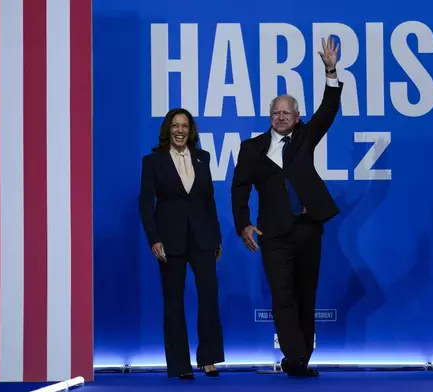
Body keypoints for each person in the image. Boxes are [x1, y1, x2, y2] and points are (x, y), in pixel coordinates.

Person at [231, 36, 342, 377]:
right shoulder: (251, 148)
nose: (281, 117)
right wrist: (243, 224)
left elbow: (328, 110)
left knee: (305, 296)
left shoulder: (306, 137)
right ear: (270, 117)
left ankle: (300, 359)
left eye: (287, 112)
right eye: (276, 113)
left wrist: (330, 71)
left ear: (297, 117)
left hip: (309, 227)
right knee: (282, 296)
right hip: (273, 233)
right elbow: (239, 189)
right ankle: (294, 358)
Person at [139, 108, 224, 380]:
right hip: (169, 240)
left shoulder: (203, 158)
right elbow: (145, 204)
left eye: (185, 126)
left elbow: (209, 200)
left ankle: (209, 358)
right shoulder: (153, 161)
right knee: (173, 301)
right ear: (168, 129)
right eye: (175, 126)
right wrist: (154, 239)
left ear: (191, 130)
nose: (180, 131)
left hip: (203, 238)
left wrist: (217, 237)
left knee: (208, 295)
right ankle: (180, 365)